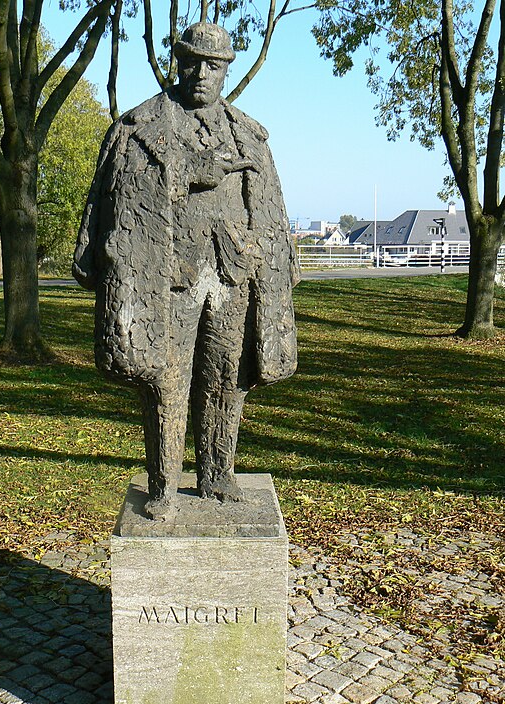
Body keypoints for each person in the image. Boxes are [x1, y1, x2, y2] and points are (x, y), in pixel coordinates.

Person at [74, 22, 299, 519]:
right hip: (166, 276)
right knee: (165, 380)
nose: (201, 73)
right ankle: (164, 486)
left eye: (213, 65)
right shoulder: (141, 127)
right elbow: (116, 197)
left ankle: (219, 477)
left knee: (226, 378)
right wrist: (192, 171)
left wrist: (276, 266)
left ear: (226, 70)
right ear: (177, 62)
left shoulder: (249, 134)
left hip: (234, 274)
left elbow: (271, 208)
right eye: (192, 61)